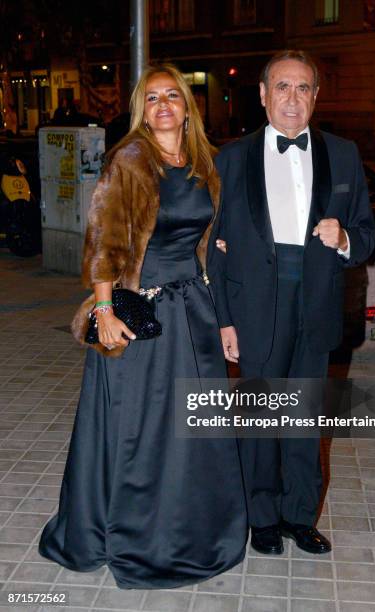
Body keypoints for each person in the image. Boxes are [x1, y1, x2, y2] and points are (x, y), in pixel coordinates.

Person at [38, 63, 247, 589]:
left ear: (187, 105)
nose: (162, 106)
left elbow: (211, 234)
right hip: (141, 313)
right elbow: (105, 240)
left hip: (193, 311)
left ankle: (191, 531)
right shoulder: (129, 161)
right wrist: (104, 311)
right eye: (151, 99)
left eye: (171, 96)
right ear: (142, 110)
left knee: (193, 430)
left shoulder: (205, 162)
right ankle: (136, 536)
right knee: (143, 430)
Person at [210, 50, 375, 556]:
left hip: (316, 302)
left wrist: (345, 236)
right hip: (256, 303)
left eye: (303, 88)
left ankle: (299, 516)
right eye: (282, 87)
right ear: (262, 95)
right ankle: (261, 517)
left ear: (316, 97)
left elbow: (368, 234)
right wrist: (224, 321)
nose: (292, 98)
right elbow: (213, 248)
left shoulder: (343, 154)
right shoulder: (231, 158)